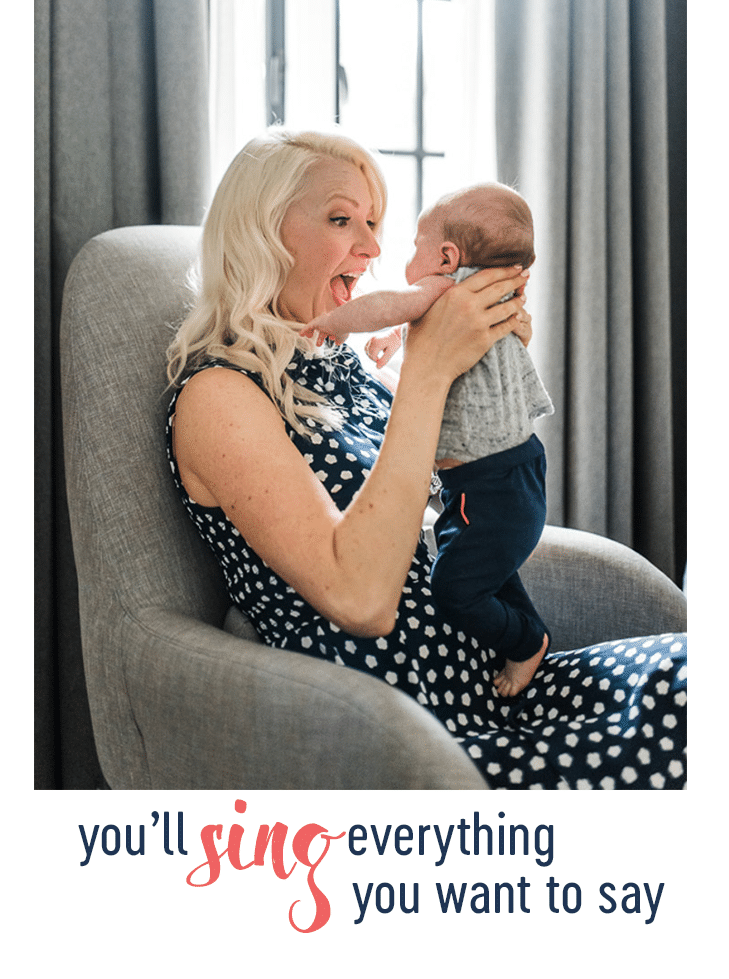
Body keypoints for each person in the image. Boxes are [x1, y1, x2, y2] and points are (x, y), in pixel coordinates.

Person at [166, 125, 687, 790]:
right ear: (260, 230)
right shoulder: (220, 396)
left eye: (374, 222)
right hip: (427, 738)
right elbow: (361, 598)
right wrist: (429, 371)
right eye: (340, 218)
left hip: (497, 691)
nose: (374, 246)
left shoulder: (332, 363)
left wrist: (487, 347)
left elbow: (443, 466)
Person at [300, 184, 554, 697]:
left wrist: (333, 322)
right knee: (481, 563)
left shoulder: (450, 290)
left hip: (488, 479)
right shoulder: (490, 297)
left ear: (446, 257)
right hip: (514, 469)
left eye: (415, 246)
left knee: (454, 586)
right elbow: (419, 329)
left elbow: (388, 306)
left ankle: (526, 641)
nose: (389, 253)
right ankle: (529, 640)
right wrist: (397, 338)